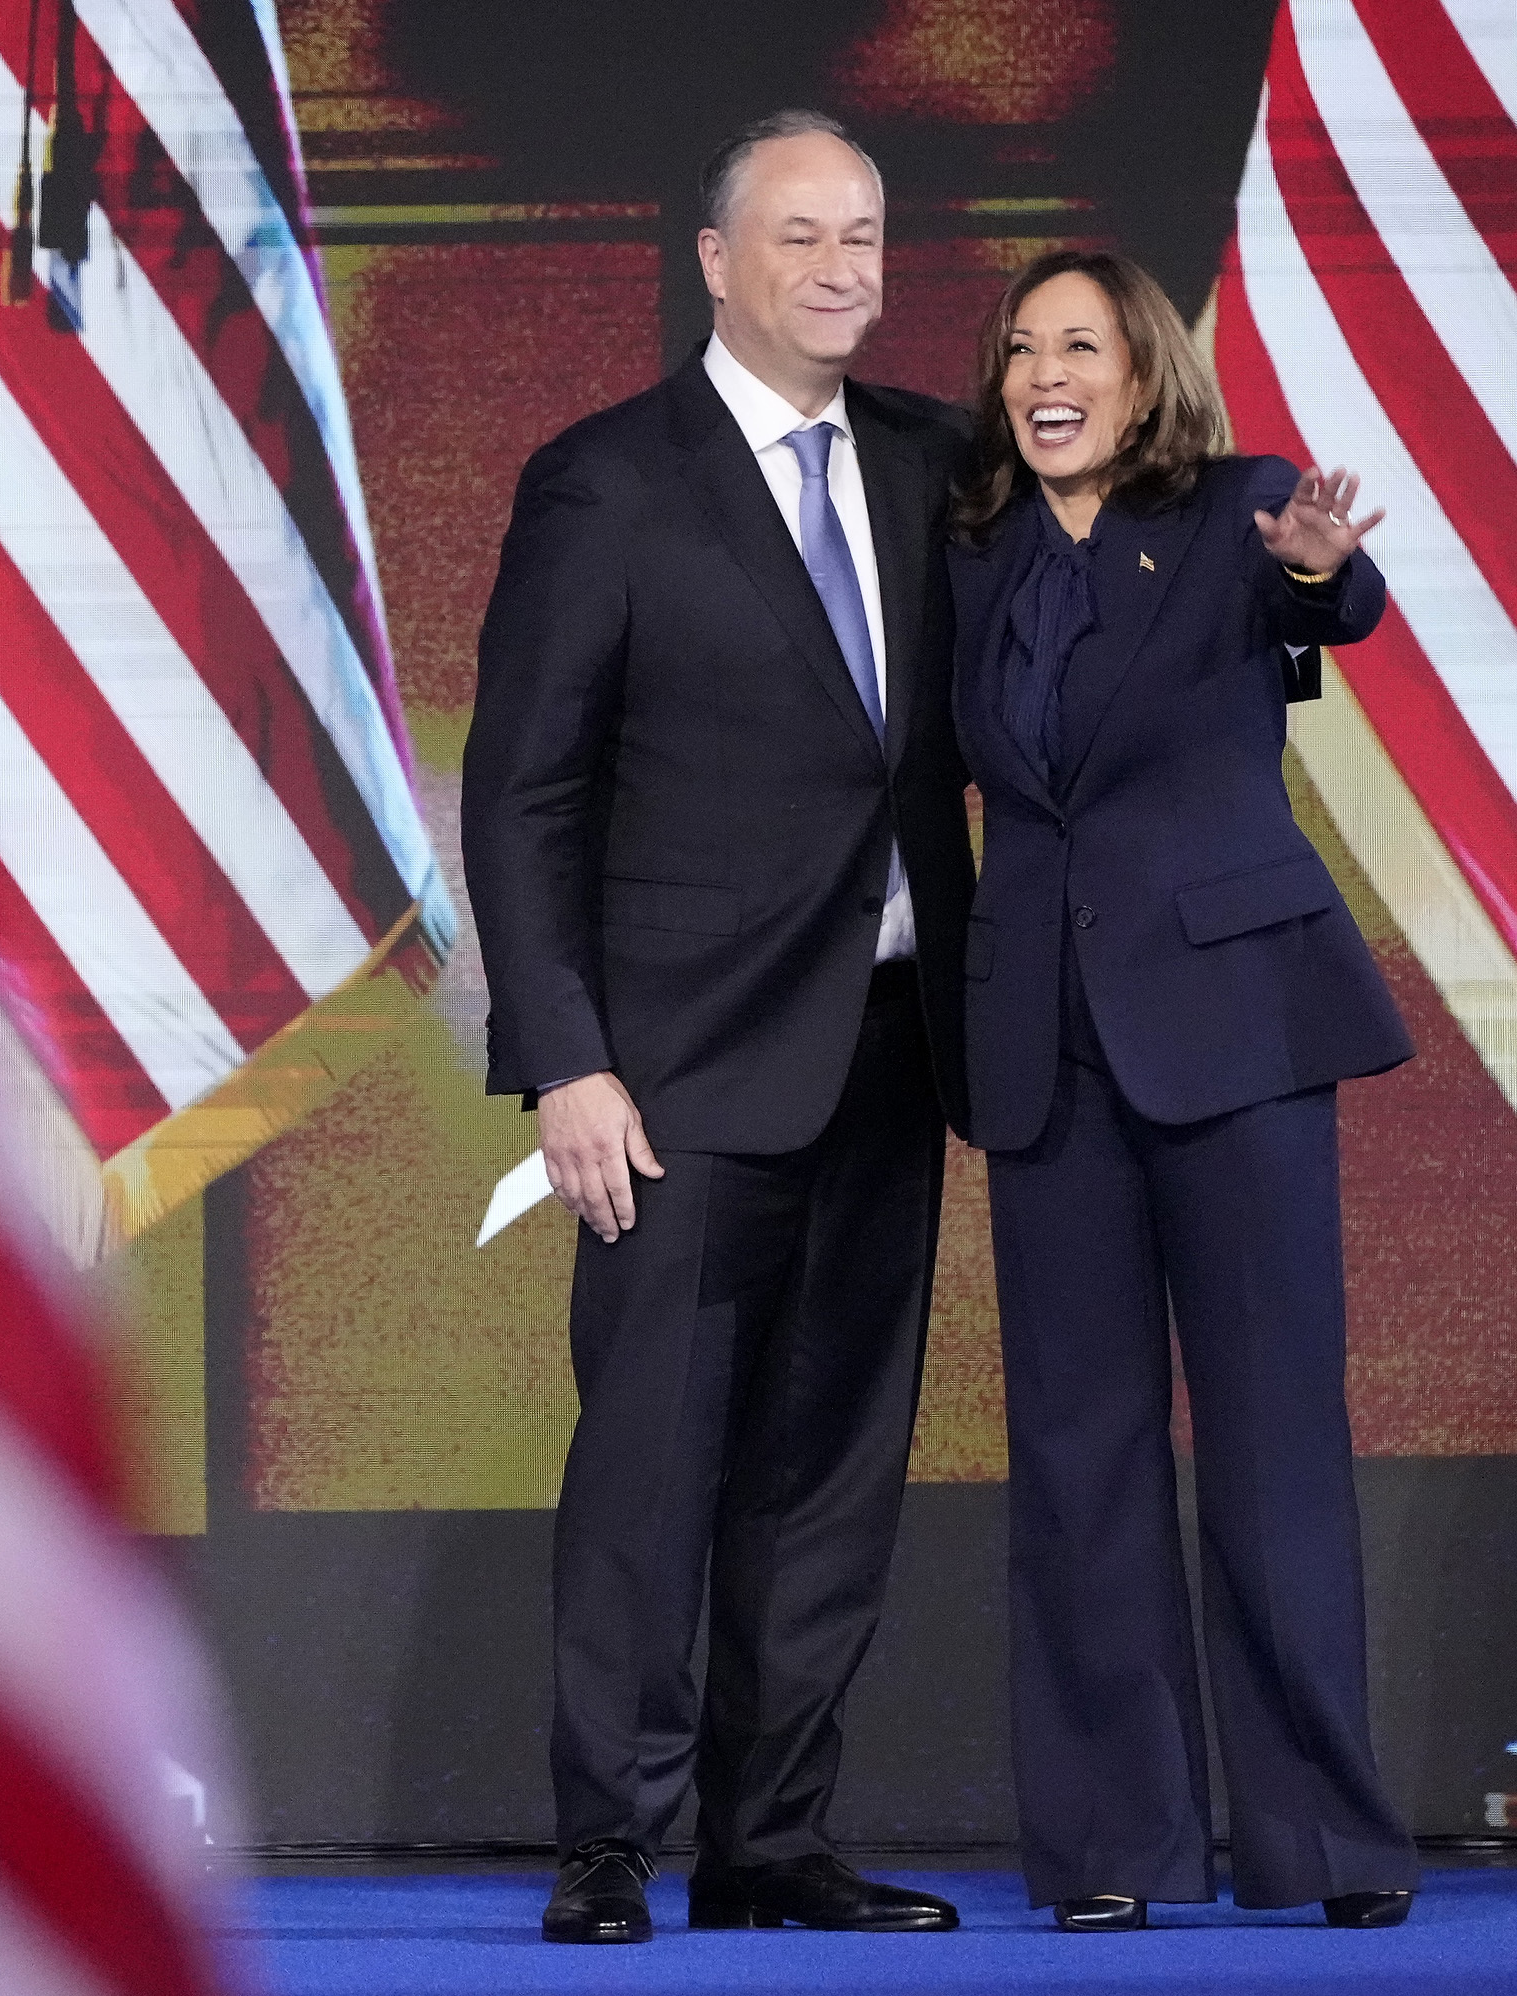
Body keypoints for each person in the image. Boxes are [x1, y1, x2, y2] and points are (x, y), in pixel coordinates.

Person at [460, 109, 976, 1945]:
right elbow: (523, 796)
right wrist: (566, 1061)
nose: (842, 269)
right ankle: (610, 1840)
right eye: (801, 235)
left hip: (894, 1049)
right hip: (670, 1076)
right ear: (715, 261)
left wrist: (1307, 589)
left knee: (829, 1474)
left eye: (865, 235)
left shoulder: (936, 461)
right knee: (654, 1464)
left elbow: (1108, 573)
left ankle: (772, 1843)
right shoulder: (608, 481)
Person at [947, 248, 1421, 1931]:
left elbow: (1325, 604)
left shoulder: (1237, 511)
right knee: (1080, 1457)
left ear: (1144, 375)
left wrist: (1318, 576)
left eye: (1079, 346)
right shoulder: (972, 550)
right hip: (1045, 1046)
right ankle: (1112, 1851)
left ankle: (1324, 1843)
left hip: (1233, 1034)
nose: (1044, 375)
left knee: (1274, 1439)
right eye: (1023, 350)